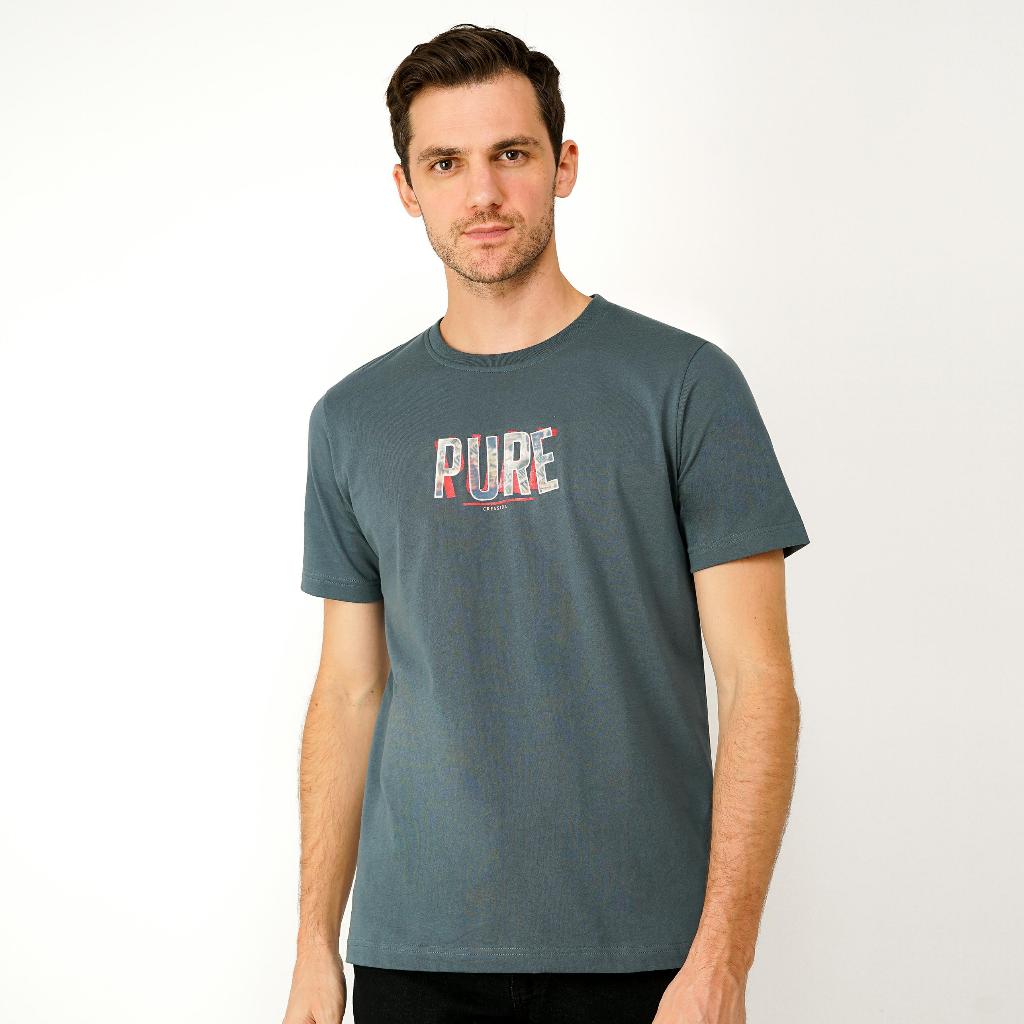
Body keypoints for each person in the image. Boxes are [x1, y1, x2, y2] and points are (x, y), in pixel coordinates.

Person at [282, 23, 810, 1024]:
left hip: (645, 957)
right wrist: (314, 943)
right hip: (413, 955)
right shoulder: (352, 421)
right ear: (407, 187)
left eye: (511, 154)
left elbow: (757, 683)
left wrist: (723, 959)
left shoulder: (685, 387)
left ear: (563, 166)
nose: (481, 192)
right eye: (446, 163)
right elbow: (347, 692)